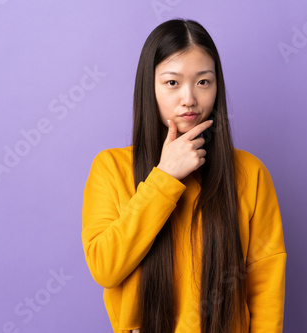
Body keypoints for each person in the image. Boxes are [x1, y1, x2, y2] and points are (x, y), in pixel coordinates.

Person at [82, 18, 286, 333]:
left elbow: (265, 283)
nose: (189, 99)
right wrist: (165, 177)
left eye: (203, 82)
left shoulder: (250, 172)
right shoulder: (111, 168)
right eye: (172, 83)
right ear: (149, 87)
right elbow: (105, 268)